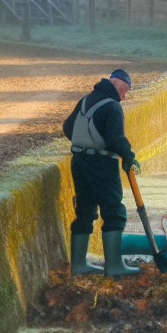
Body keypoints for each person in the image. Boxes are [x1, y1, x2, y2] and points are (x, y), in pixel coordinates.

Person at [62, 69, 141, 277]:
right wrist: (128, 156)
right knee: (114, 210)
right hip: (102, 163)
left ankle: (78, 266)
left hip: (78, 161)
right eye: (126, 91)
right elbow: (116, 140)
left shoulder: (86, 100)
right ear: (119, 83)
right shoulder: (112, 106)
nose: (124, 96)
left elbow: (68, 128)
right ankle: (114, 267)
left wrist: (85, 142)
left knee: (85, 210)